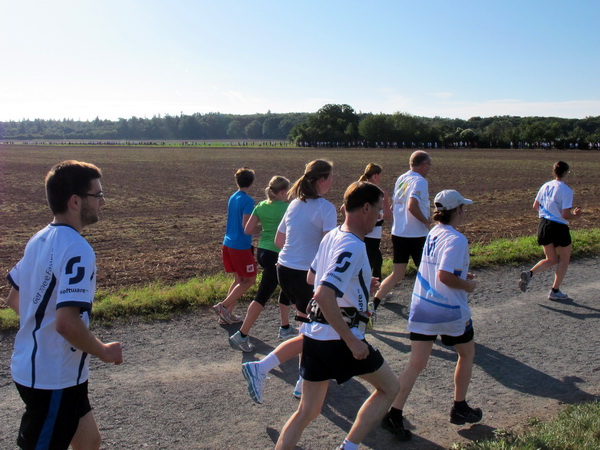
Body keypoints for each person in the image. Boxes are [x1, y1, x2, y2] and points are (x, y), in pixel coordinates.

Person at [6, 160, 123, 450]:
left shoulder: (39, 238)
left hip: (43, 368)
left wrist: (42, 330)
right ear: (75, 201)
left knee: (89, 441)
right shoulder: (77, 249)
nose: (102, 202)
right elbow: (66, 323)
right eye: (97, 195)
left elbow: (14, 299)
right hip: (53, 378)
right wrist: (103, 351)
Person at [275, 181, 398, 450]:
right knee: (390, 388)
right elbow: (322, 293)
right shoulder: (353, 245)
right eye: (379, 210)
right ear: (365, 208)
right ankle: (348, 447)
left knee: (307, 411)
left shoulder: (332, 236)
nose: (381, 216)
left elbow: (312, 277)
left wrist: (358, 284)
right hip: (339, 339)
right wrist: (352, 341)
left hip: (315, 334)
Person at [381, 189, 481, 441]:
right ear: (457, 210)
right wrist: (468, 285)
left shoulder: (433, 233)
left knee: (416, 363)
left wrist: (461, 275)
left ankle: (394, 413)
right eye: (463, 207)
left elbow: (440, 269)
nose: (464, 211)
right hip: (449, 310)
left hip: (422, 306)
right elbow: (444, 276)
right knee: (467, 353)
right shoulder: (457, 239)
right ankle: (459, 406)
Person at [242, 159, 337, 402]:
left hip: (284, 270)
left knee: (308, 325)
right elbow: (328, 249)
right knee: (317, 329)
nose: (332, 181)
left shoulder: (294, 204)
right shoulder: (326, 208)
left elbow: (278, 241)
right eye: (330, 177)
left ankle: (302, 381)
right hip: (306, 274)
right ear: (322, 180)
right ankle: (262, 367)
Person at [230, 176, 297, 352]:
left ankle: (285, 327)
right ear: (283, 192)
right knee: (263, 295)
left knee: (286, 286)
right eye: (287, 192)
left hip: (263, 251)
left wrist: (267, 228)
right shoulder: (288, 208)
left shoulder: (261, 206)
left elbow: (248, 229)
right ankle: (241, 335)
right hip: (278, 253)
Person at [372, 151, 432, 309]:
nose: (429, 168)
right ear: (423, 165)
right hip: (416, 235)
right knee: (427, 273)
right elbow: (412, 205)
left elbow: (395, 204)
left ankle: (375, 302)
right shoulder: (420, 181)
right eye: (429, 164)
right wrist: (426, 221)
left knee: (397, 274)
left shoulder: (402, 178)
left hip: (398, 233)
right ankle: (430, 306)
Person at [519, 161, 583, 300]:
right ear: (566, 172)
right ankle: (555, 291)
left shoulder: (545, 186)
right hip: (559, 227)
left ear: (554, 172)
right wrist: (576, 216)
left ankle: (529, 274)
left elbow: (535, 206)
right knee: (564, 260)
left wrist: (548, 213)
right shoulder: (566, 190)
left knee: (551, 259)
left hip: (543, 225)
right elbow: (565, 215)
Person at [213, 167, 257, 324]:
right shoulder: (248, 201)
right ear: (251, 182)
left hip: (228, 243)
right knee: (250, 280)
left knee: (239, 280)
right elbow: (246, 226)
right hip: (240, 246)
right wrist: (262, 227)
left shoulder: (233, 197)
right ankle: (223, 307)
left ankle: (226, 314)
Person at [358, 163, 392, 281]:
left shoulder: (360, 188)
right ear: (376, 176)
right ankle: (370, 289)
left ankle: (376, 288)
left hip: (363, 233)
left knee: (377, 262)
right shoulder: (377, 192)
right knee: (370, 265)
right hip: (373, 234)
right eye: (380, 175)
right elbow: (387, 216)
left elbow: (344, 208)